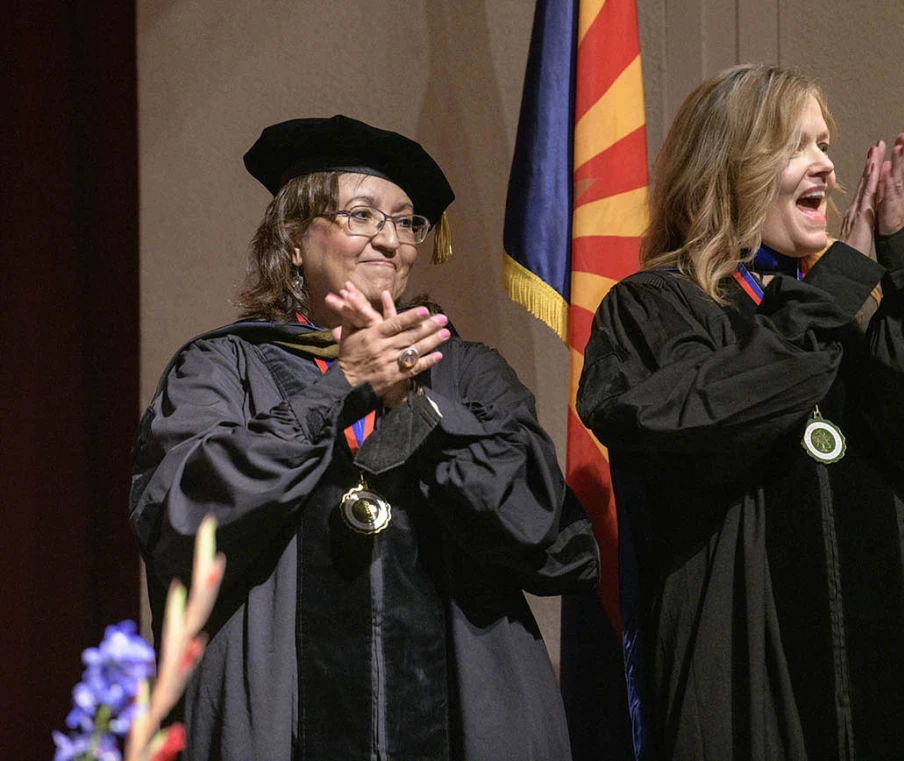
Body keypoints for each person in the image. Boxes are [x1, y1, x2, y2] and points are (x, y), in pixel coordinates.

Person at [575, 64, 904, 761]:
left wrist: (901, 259)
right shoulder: (655, 308)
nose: (825, 164)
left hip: (892, 675)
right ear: (730, 166)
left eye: (826, 143)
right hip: (748, 675)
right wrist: (837, 287)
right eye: (798, 145)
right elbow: (710, 417)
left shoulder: (835, 315)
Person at [130, 115, 599, 761]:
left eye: (407, 222)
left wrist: (414, 399)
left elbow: (548, 538)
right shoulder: (221, 369)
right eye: (361, 215)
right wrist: (342, 383)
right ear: (293, 239)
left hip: (459, 720)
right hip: (283, 721)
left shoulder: (467, 373)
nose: (390, 239)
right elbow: (182, 520)